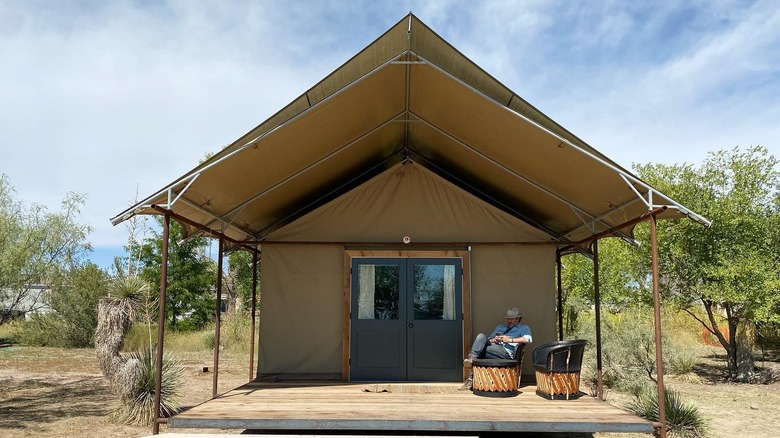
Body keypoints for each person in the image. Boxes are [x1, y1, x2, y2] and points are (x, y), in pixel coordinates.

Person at [459, 307, 532, 390]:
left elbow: (528, 339)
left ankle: (470, 379)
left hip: (506, 353)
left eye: (512, 319)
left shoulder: (524, 328)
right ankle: (471, 359)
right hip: (494, 348)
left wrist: (509, 340)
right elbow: (489, 339)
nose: (509, 321)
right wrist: (494, 340)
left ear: (518, 319)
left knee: (479, 350)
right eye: (508, 319)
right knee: (481, 336)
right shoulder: (500, 327)